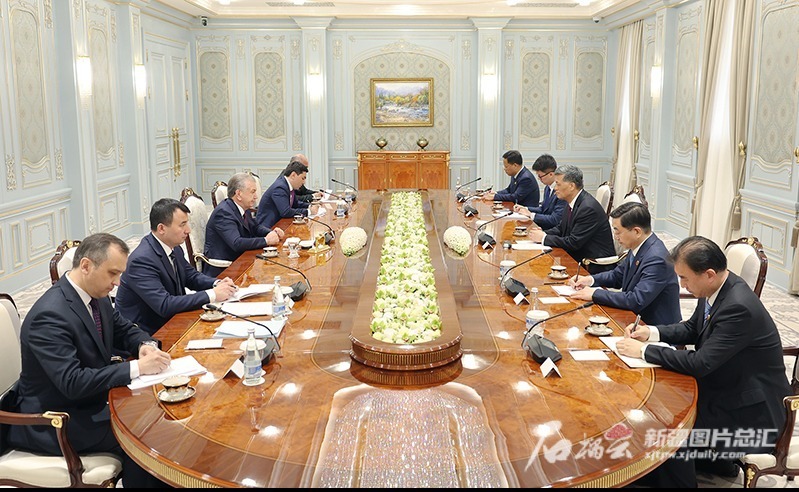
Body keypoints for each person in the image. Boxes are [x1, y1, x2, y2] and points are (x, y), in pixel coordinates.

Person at [617, 236, 790, 485]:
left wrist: (644, 351)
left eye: (684, 278)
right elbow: (692, 328)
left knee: (669, 425)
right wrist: (651, 332)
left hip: (751, 411)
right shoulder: (718, 287)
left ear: (708, 274)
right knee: (660, 407)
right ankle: (700, 465)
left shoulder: (738, 307)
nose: (681, 284)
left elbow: (700, 363)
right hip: (727, 386)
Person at [8, 233, 172, 487]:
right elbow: (73, 382)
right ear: (86, 266)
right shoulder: (49, 316)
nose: (117, 283)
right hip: (56, 420)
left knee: (157, 417)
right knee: (146, 436)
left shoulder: (96, 296)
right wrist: (137, 367)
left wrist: (145, 346)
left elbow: (123, 329)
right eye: (112, 273)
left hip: (90, 402)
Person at [115, 198, 238, 335]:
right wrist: (213, 294)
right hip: (149, 333)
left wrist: (217, 283)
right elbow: (164, 305)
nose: (188, 230)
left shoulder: (174, 247)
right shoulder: (141, 261)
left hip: (173, 321)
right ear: (161, 228)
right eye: (182, 225)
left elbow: (191, 276)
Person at [568, 202, 681, 325]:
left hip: (653, 326)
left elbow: (636, 300)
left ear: (637, 232)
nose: (615, 237)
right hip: (633, 318)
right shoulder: (639, 246)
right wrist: (589, 280)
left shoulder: (656, 259)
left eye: (618, 232)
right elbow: (617, 276)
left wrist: (595, 294)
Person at [529, 164, 616, 273]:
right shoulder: (572, 201)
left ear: (571, 186)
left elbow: (573, 242)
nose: (555, 188)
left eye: (558, 184)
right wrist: (542, 233)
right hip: (576, 257)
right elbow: (561, 228)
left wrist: (544, 238)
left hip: (592, 265)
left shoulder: (588, 208)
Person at [204, 172, 284, 277]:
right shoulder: (223, 213)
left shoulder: (242, 207)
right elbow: (236, 243)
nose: (256, 197)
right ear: (238, 194)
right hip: (225, 270)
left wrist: (272, 232)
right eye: (252, 192)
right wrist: (266, 240)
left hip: (241, 260)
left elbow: (255, 227)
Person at [256, 160, 320, 230]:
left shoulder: (287, 185)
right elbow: (286, 212)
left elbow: (295, 204)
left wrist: (310, 206)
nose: (304, 182)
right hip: (268, 227)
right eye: (302, 178)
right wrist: (308, 211)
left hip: (280, 224)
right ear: (293, 175)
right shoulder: (280, 187)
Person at [512, 153, 566, 229]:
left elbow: (555, 220)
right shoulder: (547, 188)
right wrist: (525, 208)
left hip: (552, 230)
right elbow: (543, 209)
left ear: (551, 174)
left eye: (540, 176)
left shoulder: (561, 192)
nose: (539, 179)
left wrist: (531, 215)